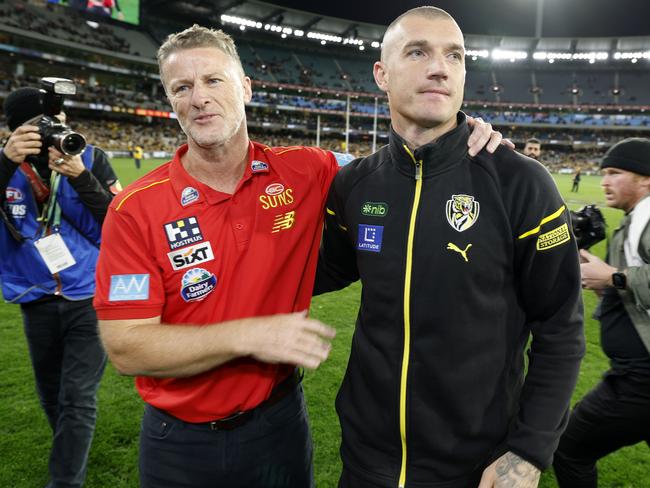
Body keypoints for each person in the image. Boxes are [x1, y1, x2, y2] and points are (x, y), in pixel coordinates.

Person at [92, 24, 507, 488]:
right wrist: (249, 334)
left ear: (245, 87)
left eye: (214, 80)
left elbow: (397, 167)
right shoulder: (136, 209)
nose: (199, 98)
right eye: (182, 87)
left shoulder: (307, 170)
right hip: (178, 442)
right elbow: (127, 346)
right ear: (170, 101)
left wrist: (462, 135)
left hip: (278, 425)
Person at [315, 7, 585, 488]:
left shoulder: (520, 183)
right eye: (417, 52)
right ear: (381, 73)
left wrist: (528, 451)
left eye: (454, 55)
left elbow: (560, 328)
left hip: (475, 466)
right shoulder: (355, 184)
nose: (439, 66)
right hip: (365, 459)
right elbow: (320, 271)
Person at [0, 86, 121, 488]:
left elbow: (121, 224)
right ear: (17, 129)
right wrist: (5, 163)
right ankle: (69, 446)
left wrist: (82, 178)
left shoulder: (89, 157)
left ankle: (65, 481)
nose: (57, 127)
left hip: (89, 293)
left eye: (59, 117)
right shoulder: (6, 165)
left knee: (77, 397)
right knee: (51, 393)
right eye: (44, 123)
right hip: (34, 295)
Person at [553, 138, 650, 487]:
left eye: (615, 173)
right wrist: (606, 280)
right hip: (635, 374)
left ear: (646, 179)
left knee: (569, 449)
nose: (605, 181)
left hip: (640, 380)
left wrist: (615, 276)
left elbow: (628, 278)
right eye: (604, 173)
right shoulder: (635, 219)